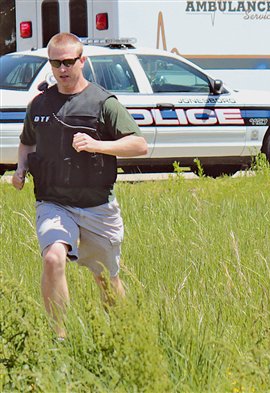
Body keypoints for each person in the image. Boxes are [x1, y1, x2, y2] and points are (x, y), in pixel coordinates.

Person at [12, 32, 148, 338]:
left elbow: (139, 145)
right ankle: (59, 339)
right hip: (53, 202)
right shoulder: (39, 104)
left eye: (68, 62)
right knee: (53, 257)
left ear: (81, 61)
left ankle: (125, 338)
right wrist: (20, 169)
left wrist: (97, 145)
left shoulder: (103, 102)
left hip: (97, 206)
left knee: (107, 281)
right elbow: (26, 144)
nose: (62, 69)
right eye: (55, 63)